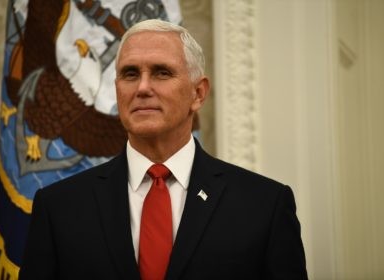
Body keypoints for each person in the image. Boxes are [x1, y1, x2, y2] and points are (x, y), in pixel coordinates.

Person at [19, 19, 308, 279]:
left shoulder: (264, 206)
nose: (142, 87)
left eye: (161, 73)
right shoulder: (59, 208)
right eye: (130, 74)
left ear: (198, 93)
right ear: (116, 89)